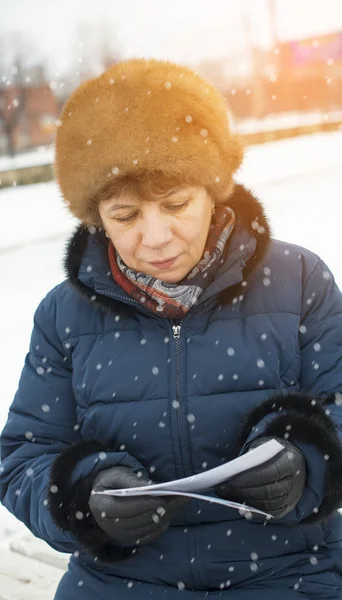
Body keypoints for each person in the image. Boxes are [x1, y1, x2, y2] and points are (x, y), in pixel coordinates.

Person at [1, 58, 342, 600]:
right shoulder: (62, 317)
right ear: (96, 218)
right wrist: (82, 495)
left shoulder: (300, 281)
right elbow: (24, 457)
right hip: (119, 585)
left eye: (176, 204)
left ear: (214, 190)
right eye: (126, 216)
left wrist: (310, 460)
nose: (156, 238)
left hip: (288, 575)